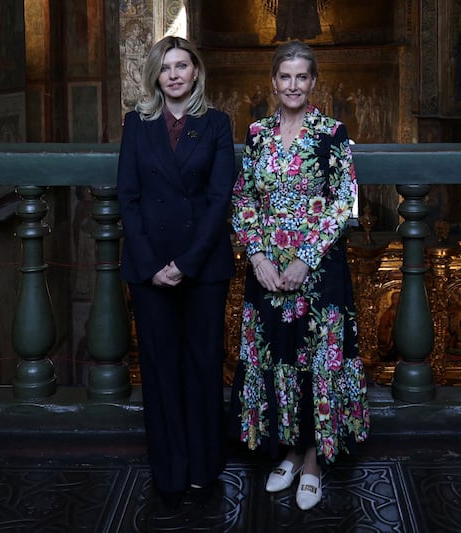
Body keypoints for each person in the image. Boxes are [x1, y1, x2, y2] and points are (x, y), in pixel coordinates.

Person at [230, 40, 370, 511]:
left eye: (302, 77)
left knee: (316, 361)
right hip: (267, 273)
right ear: (273, 82)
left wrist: (304, 259)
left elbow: (342, 201)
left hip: (318, 271)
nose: (293, 85)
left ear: (313, 82)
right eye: (284, 77)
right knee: (280, 358)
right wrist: (259, 258)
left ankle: (313, 459)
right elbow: (243, 199)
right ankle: (288, 452)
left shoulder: (332, 132)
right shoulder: (257, 134)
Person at [116, 35, 236, 511]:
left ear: (196, 72)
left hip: (203, 268)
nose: (175, 75)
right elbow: (128, 197)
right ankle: (169, 472)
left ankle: (205, 467)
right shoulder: (136, 125)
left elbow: (218, 200)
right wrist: (153, 267)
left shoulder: (217, 124)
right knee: (161, 370)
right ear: (155, 76)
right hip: (150, 271)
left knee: (203, 367)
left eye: (182, 66)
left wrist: (185, 264)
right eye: (166, 68)